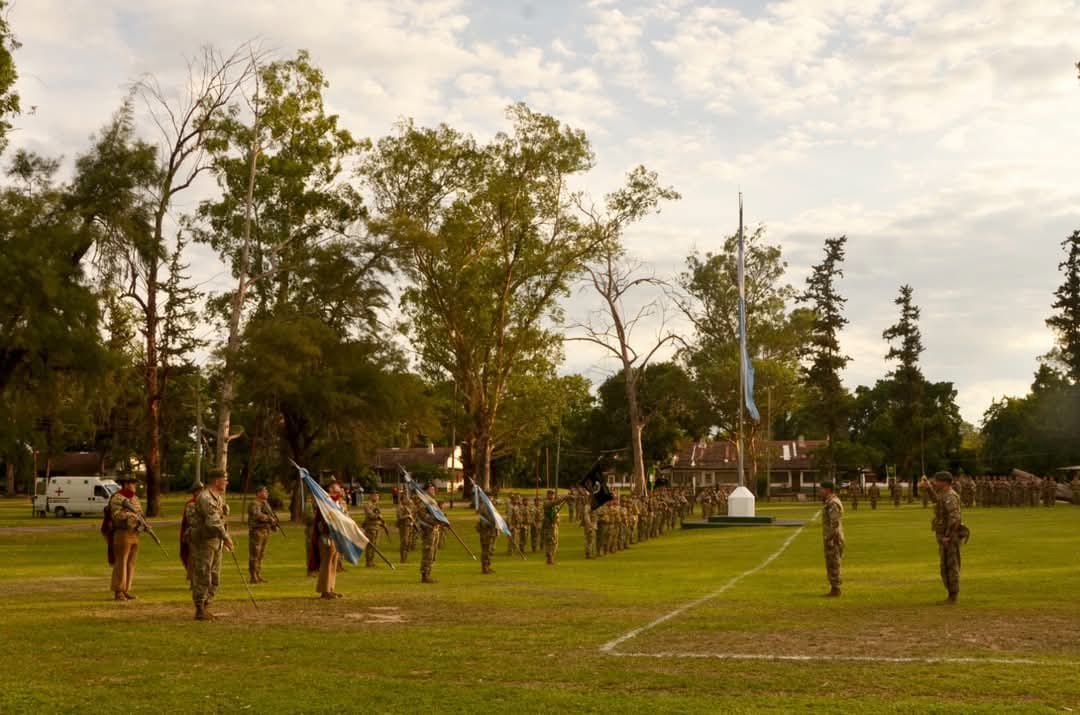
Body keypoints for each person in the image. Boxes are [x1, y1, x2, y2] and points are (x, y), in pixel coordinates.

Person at [190, 468, 234, 620]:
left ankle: (206, 605)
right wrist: (226, 537)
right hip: (205, 541)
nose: (227, 482)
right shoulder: (205, 498)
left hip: (216, 541)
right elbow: (213, 521)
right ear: (217, 481)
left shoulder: (218, 497)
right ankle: (200, 608)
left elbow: (221, 518)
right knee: (203, 574)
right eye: (224, 479)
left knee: (215, 576)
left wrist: (224, 537)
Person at [927, 471, 965, 604]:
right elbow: (937, 501)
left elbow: (955, 518)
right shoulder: (943, 495)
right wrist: (928, 488)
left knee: (951, 565)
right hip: (945, 536)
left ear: (944, 482)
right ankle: (950, 595)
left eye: (937, 481)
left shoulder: (950, 496)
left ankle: (953, 596)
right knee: (945, 566)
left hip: (950, 537)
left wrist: (947, 536)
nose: (935, 483)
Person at [106, 474, 143, 601]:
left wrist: (142, 522)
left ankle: (126, 589)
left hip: (135, 533)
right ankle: (118, 591)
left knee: (131, 563)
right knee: (121, 562)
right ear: (126, 484)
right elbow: (116, 515)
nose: (135, 485)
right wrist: (130, 516)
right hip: (122, 533)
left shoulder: (135, 498)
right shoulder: (117, 498)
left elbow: (140, 512)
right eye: (132, 483)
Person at [310, 481, 347, 599]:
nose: (340, 488)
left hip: (336, 537)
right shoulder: (325, 503)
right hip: (327, 537)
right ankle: (325, 590)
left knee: (333, 563)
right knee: (326, 564)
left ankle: (331, 588)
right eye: (337, 487)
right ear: (330, 489)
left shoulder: (339, 503)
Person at [246, 485, 277, 583]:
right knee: (255, 554)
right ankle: (253, 576)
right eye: (264, 491)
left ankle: (258, 574)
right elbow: (257, 515)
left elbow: (271, 514)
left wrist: (273, 524)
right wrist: (269, 519)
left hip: (265, 530)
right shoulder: (254, 503)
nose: (267, 493)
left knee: (261, 554)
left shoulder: (265, 503)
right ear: (259, 493)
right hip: (257, 531)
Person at [820, 480, 845, 597]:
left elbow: (834, 523)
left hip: (834, 538)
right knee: (831, 562)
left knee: (834, 563)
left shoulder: (833, 503)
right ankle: (834, 588)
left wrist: (830, 538)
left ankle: (836, 589)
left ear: (827, 490)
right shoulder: (830, 502)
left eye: (822, 489)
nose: (820, 491)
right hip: (832, 537)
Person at [416, 483, 442, 583]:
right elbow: (423, 516)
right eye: (431, 489)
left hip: (435, 529)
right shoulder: (423, 502)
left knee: (433, 553)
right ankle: (425, 574)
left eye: (434, 489)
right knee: (428, 552)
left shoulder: (432, 502)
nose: (433, 490)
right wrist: (435, 520)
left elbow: (438, 514)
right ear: (426, 491)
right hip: (428, 530)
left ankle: (429, 573)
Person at [180, 480, 204, 583]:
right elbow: (191, 521)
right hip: (193, 535)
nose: (201, 492)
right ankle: (194, 581)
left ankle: (200, 580)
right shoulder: (191, 504)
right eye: (199, 490)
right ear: (195, 492)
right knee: (193, 559)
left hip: (203, 535)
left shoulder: (205, 503)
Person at [541, 490, 571, 565]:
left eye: (553, 494)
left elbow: (557, 507)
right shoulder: (546, 503)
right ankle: (550, 558)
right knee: (550, 541)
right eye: (550, 494)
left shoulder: (554, 505)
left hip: (555, 525)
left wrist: (565, 500)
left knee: (555, 542)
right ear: (547, 495)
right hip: (549, 526)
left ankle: (551, 558)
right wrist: (564, 498)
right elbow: (554, 503)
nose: (552, 496)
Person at [362, 492, 385, 568]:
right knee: (370, 545)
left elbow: (380, 515)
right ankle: (368, 562)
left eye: (378, 496)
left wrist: (382, 522)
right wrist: (378, 516)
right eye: (375, 496)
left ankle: (372, 561)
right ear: (371, 496)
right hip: (370, 527)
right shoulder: (367, 505)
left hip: (377, 527)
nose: (377, 497)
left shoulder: (376, 505)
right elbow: (370, 515)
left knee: (375, 545)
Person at [475, 505, 498, 574]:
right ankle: (485, 568)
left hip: (491, 534)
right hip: (486, 535)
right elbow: (484, 524)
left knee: (490, 551)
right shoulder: (483, 514)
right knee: (486, 551)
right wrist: (491, 523)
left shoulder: (490, 512)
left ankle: (488, 566)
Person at [396, 494, 415, 563]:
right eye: (405, 499)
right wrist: (407, 516)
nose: (407, 500)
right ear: (402, 500)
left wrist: (412, 520)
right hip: (403, 526)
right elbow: (400, 517)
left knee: (408, 542)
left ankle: (406, 557)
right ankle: (402, 558)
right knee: (404, 541)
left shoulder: (407, 507)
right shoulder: (400, 507)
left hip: (409, 526)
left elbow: (412, 515)